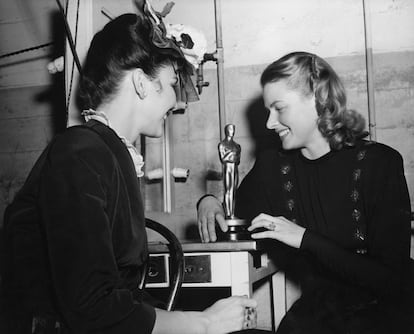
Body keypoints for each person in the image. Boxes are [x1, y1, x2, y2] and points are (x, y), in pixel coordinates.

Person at [1, 6, 264, 334]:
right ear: (142, 83)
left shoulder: (104, 152)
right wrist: (206, 323)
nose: (175, 102)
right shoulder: (80, 152)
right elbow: (93, 307)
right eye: (170, 84)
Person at [197, 51, 414, 333]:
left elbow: (391, 280)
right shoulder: (273, 166)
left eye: (279, 108)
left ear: (317, 100)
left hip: (388, 312)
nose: (269, 123)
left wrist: (304, 239)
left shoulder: (379, 163)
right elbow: (234, 218)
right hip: (319, 313)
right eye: (268, 111)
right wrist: (209, 201)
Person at [218, 124, 241, 219]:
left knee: (234, 191)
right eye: (230, 129)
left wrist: (231, 155)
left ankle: (233, 212)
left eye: (233, 129)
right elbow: (222, 158)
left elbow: (238, 159)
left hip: (235, 167)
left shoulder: (237, 145)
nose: (232, 131)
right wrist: (232, 155)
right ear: (226, 130)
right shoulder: (222, 144)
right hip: (227, 167)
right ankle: (228, 213)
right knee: (228, 190)